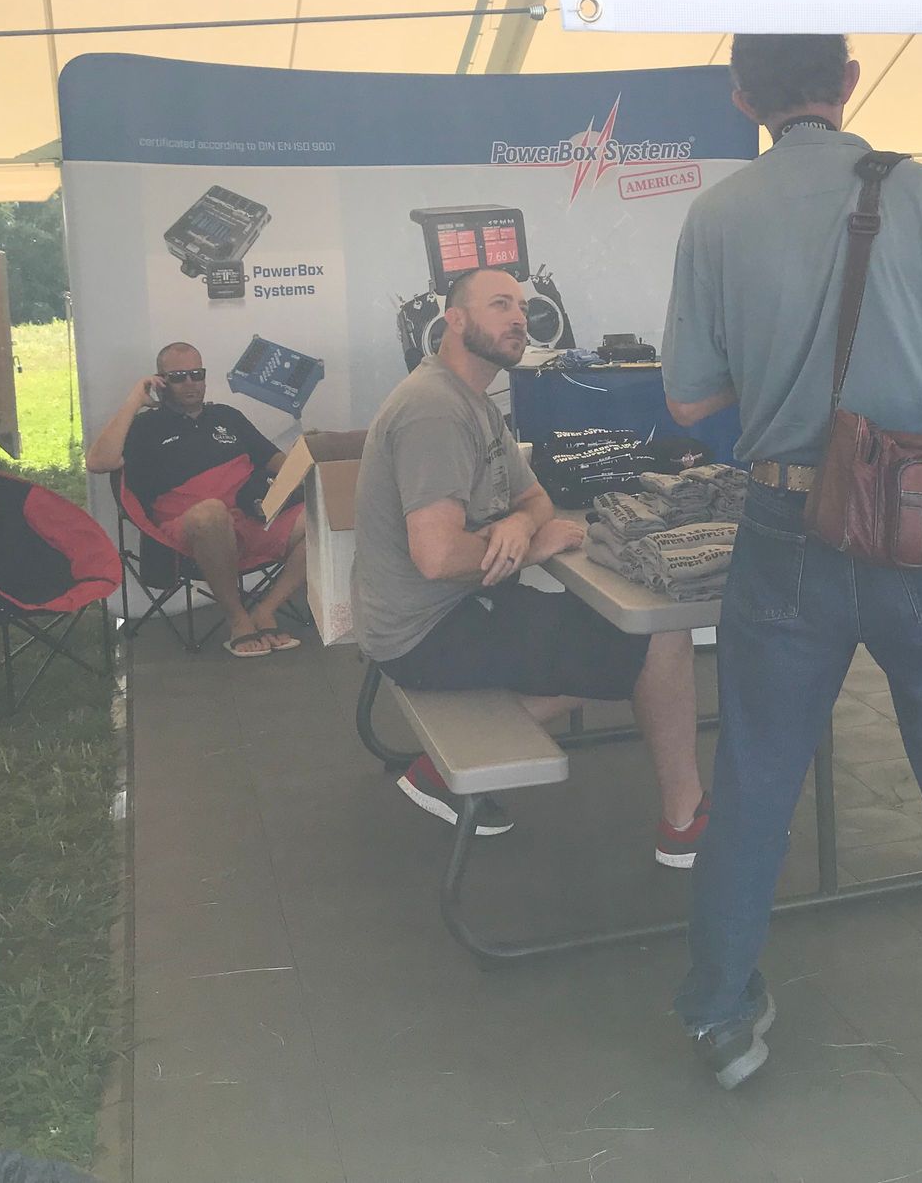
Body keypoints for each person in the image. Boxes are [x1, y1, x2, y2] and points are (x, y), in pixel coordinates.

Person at [663, 34, 922, 1130]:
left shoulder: (715, 215)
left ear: (741, 95)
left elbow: (690, 400)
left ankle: (720, 1017)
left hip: (787, 522)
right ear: (848, 82)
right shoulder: (917, 192)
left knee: (754, 785)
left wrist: (774, 361)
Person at [352, 266, 709, 863]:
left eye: (520, 307)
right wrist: (531, 546)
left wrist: (520, 528)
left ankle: (443, 768)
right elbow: (437, 557)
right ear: (454, 320)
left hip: (452, 609)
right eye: (499, 305)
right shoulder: (434, 409)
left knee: (616, 630)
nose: (518, 318)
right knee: (659, 637)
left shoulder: (472, 401)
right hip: (427, 631)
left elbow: (536, 497)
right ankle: (685, 824)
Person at [86, 341, 307, 658]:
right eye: (178, 377)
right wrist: (135, 400)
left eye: (196, 374)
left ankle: (266, 610)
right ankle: (238, 618)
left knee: (321, 518)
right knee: (211, 513)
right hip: (190, 529)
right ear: (161, 382)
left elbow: (280, 464)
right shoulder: (145, 427)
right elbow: (99, 462)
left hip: (250, 518)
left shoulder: (227, 416)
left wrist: (307, 462)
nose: (190, 383)